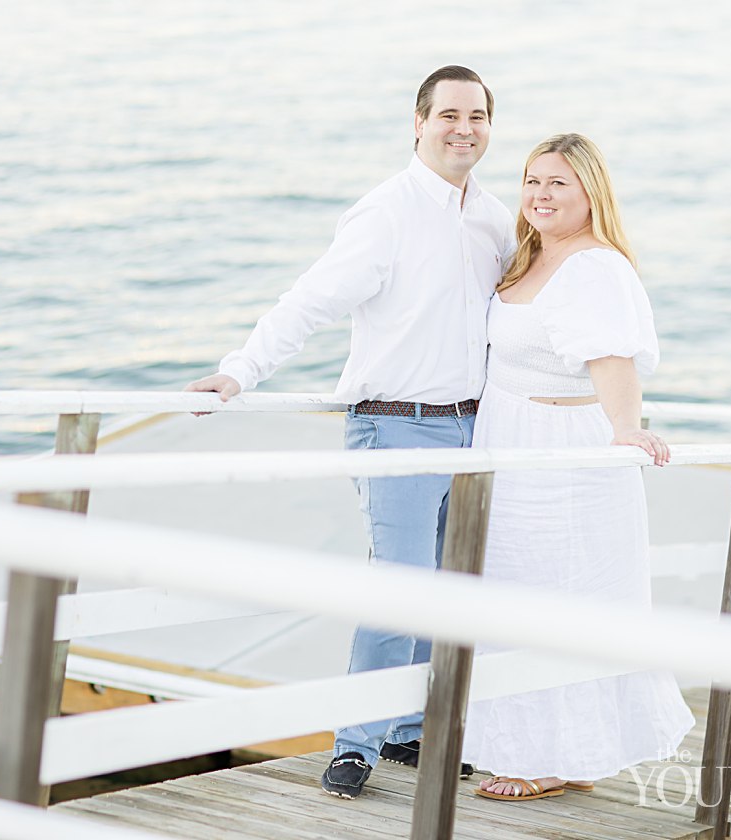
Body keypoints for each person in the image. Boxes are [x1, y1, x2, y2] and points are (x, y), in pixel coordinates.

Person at [185, 65, 513, 799]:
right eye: (449, 115)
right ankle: (357, 743)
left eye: (478, 116)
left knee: (448, 593)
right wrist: (240, 370)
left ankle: (407, 732)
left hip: (475, 432)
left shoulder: (495, 218)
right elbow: (308, 303)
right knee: (397, 593)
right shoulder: (386, 212)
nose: (464, 128)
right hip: (395, 428)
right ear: (419, 122)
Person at [459, 133, 695, 801]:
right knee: (512, 592)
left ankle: (553, 756)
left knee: (556, 595)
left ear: (592, 192)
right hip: (509, 439)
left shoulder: (594, 267)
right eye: (533, 181)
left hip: (562, 453)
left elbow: (610, 359)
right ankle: (551, 749)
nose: (540, 194)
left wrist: (626, 431)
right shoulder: (529, 256)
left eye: (558, 183)